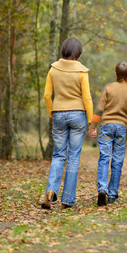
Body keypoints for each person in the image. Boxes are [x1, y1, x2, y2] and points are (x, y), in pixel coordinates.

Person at [42, 37, 93, 210]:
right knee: (73, 157)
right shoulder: (82, 72)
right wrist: (91, 119)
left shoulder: (53, 69)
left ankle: (51, 190)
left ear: (64, 50)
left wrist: (52, 111)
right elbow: (86, 97)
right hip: (78, 115)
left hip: (58, 114)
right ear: (78, 52)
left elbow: (47, 96)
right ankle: (68, 200)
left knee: (58, 155)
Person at [87, 62, 127, 206]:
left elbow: (99, 109)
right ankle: (112, 194)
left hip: (106, 126)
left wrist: (92, 127)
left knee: (104, 157)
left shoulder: (109, 88)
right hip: (121, 128)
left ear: (116, 74)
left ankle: (102, 188)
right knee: (117, 161)